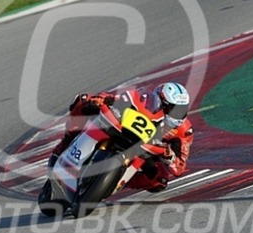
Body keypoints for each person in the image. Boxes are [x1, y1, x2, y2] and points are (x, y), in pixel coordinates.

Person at [49, 82, 194, 192]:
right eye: (174, 109)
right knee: (83, 101)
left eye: (182, 110)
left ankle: (114, 181)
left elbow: (179, 167)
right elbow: (116, 98)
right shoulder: (144, 100)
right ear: (160, 102)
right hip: (121, 128)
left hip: (146, 150)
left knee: (159, 181)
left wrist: (169, 155)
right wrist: (100, 99)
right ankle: (66, 141)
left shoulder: (184, 130)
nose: (178, 114)